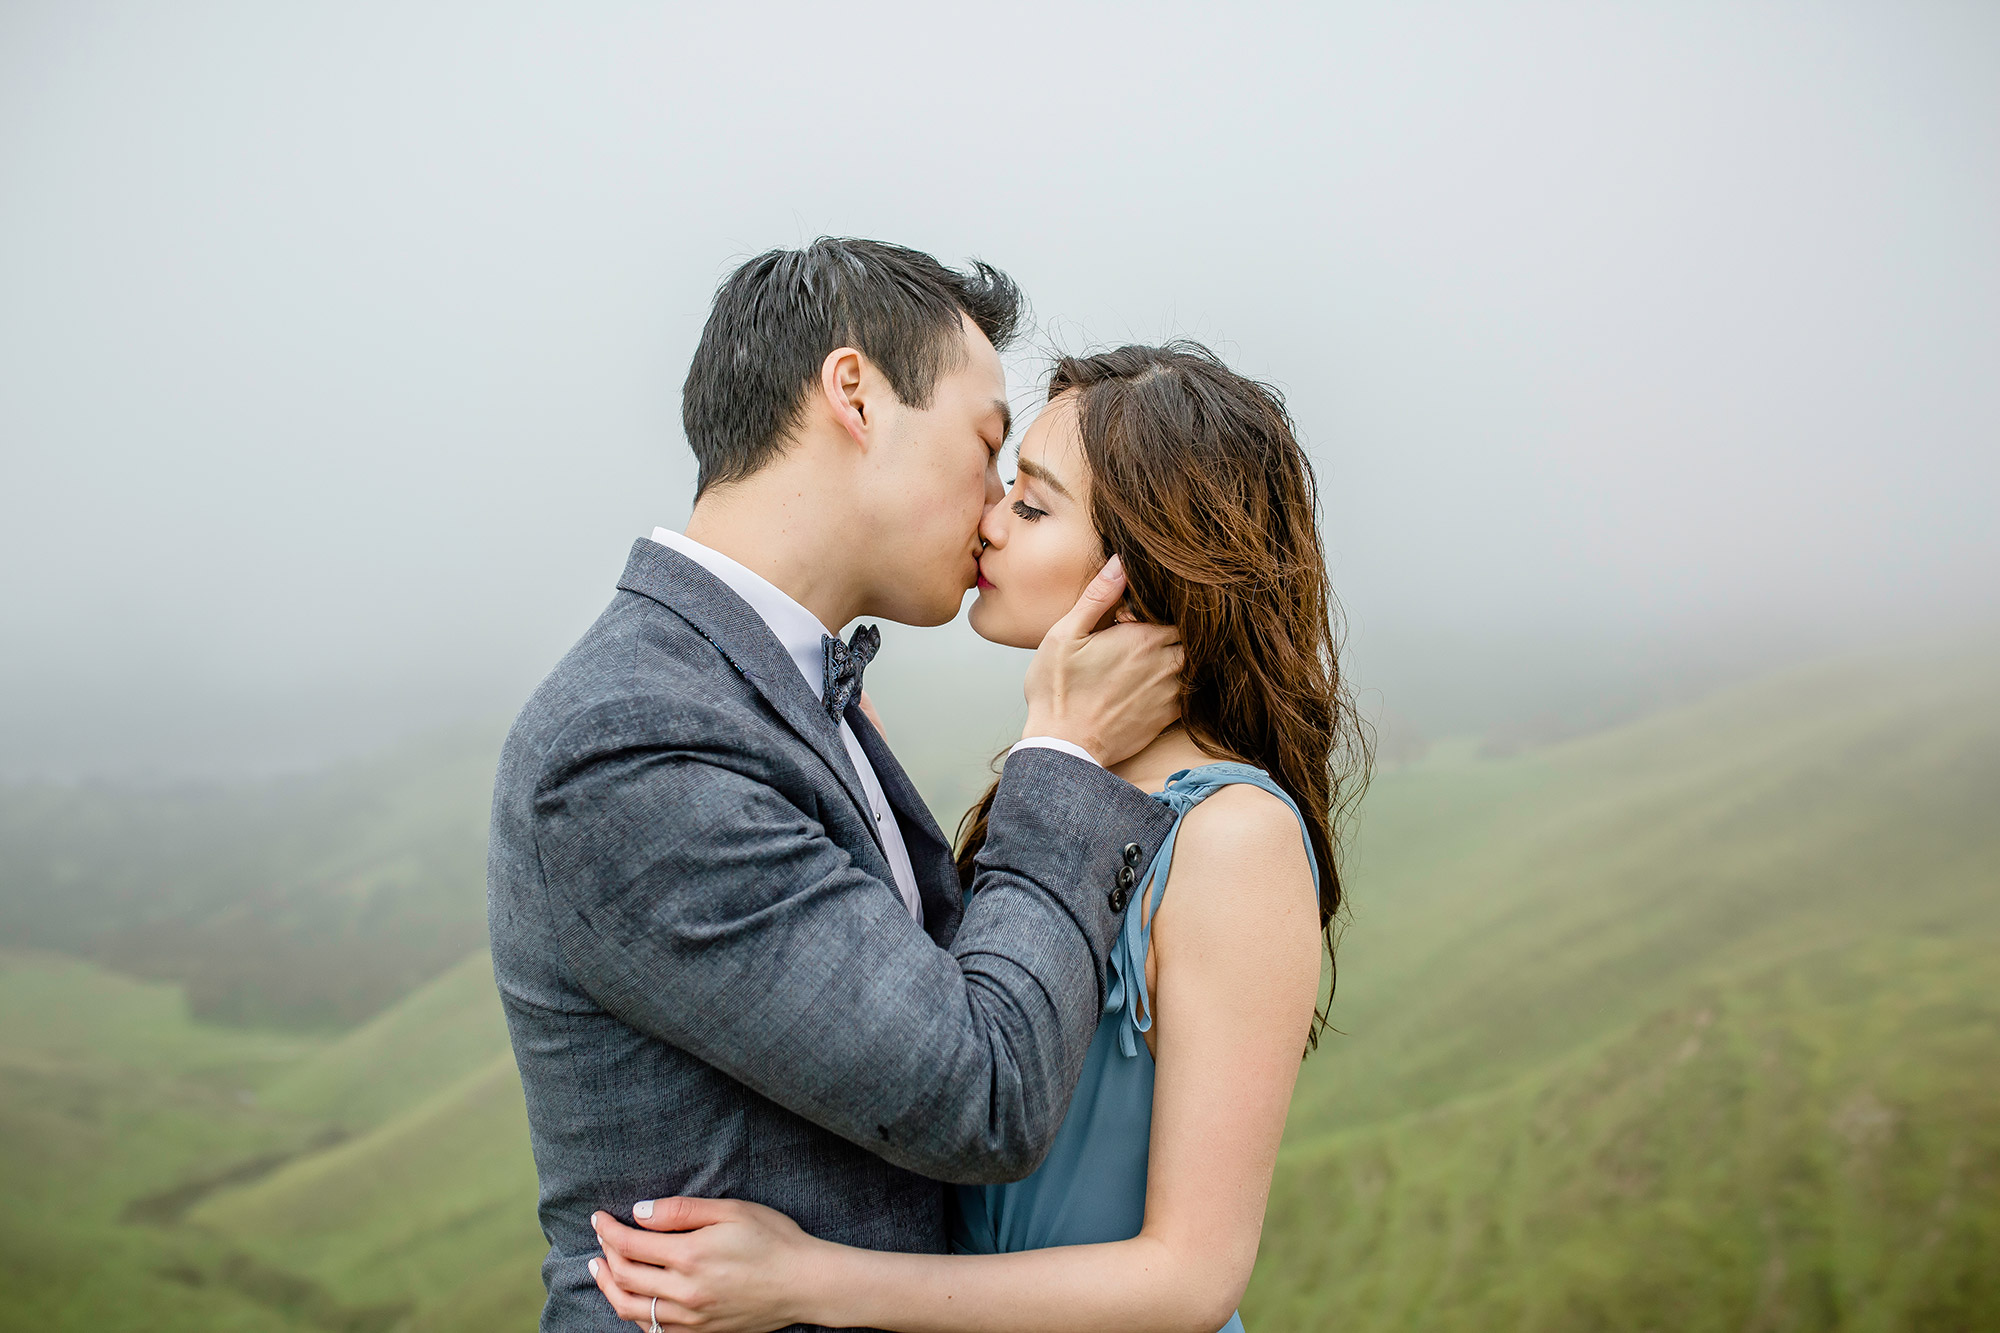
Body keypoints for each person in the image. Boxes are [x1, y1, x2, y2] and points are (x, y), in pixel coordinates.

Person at [586, 343, 1371, 1333]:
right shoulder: (1057, 782)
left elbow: (1189, 1278)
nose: (987, 522)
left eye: (1032, 507)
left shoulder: (1231, 837)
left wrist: (808, 1278)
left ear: (1147, 569)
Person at [488, 240, 1188, 1331]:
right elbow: (982, 1093)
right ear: (854, 394)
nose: (996, 505)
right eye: (986, 445)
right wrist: (1062, 757)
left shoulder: (785, 691)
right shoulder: (628, 741)